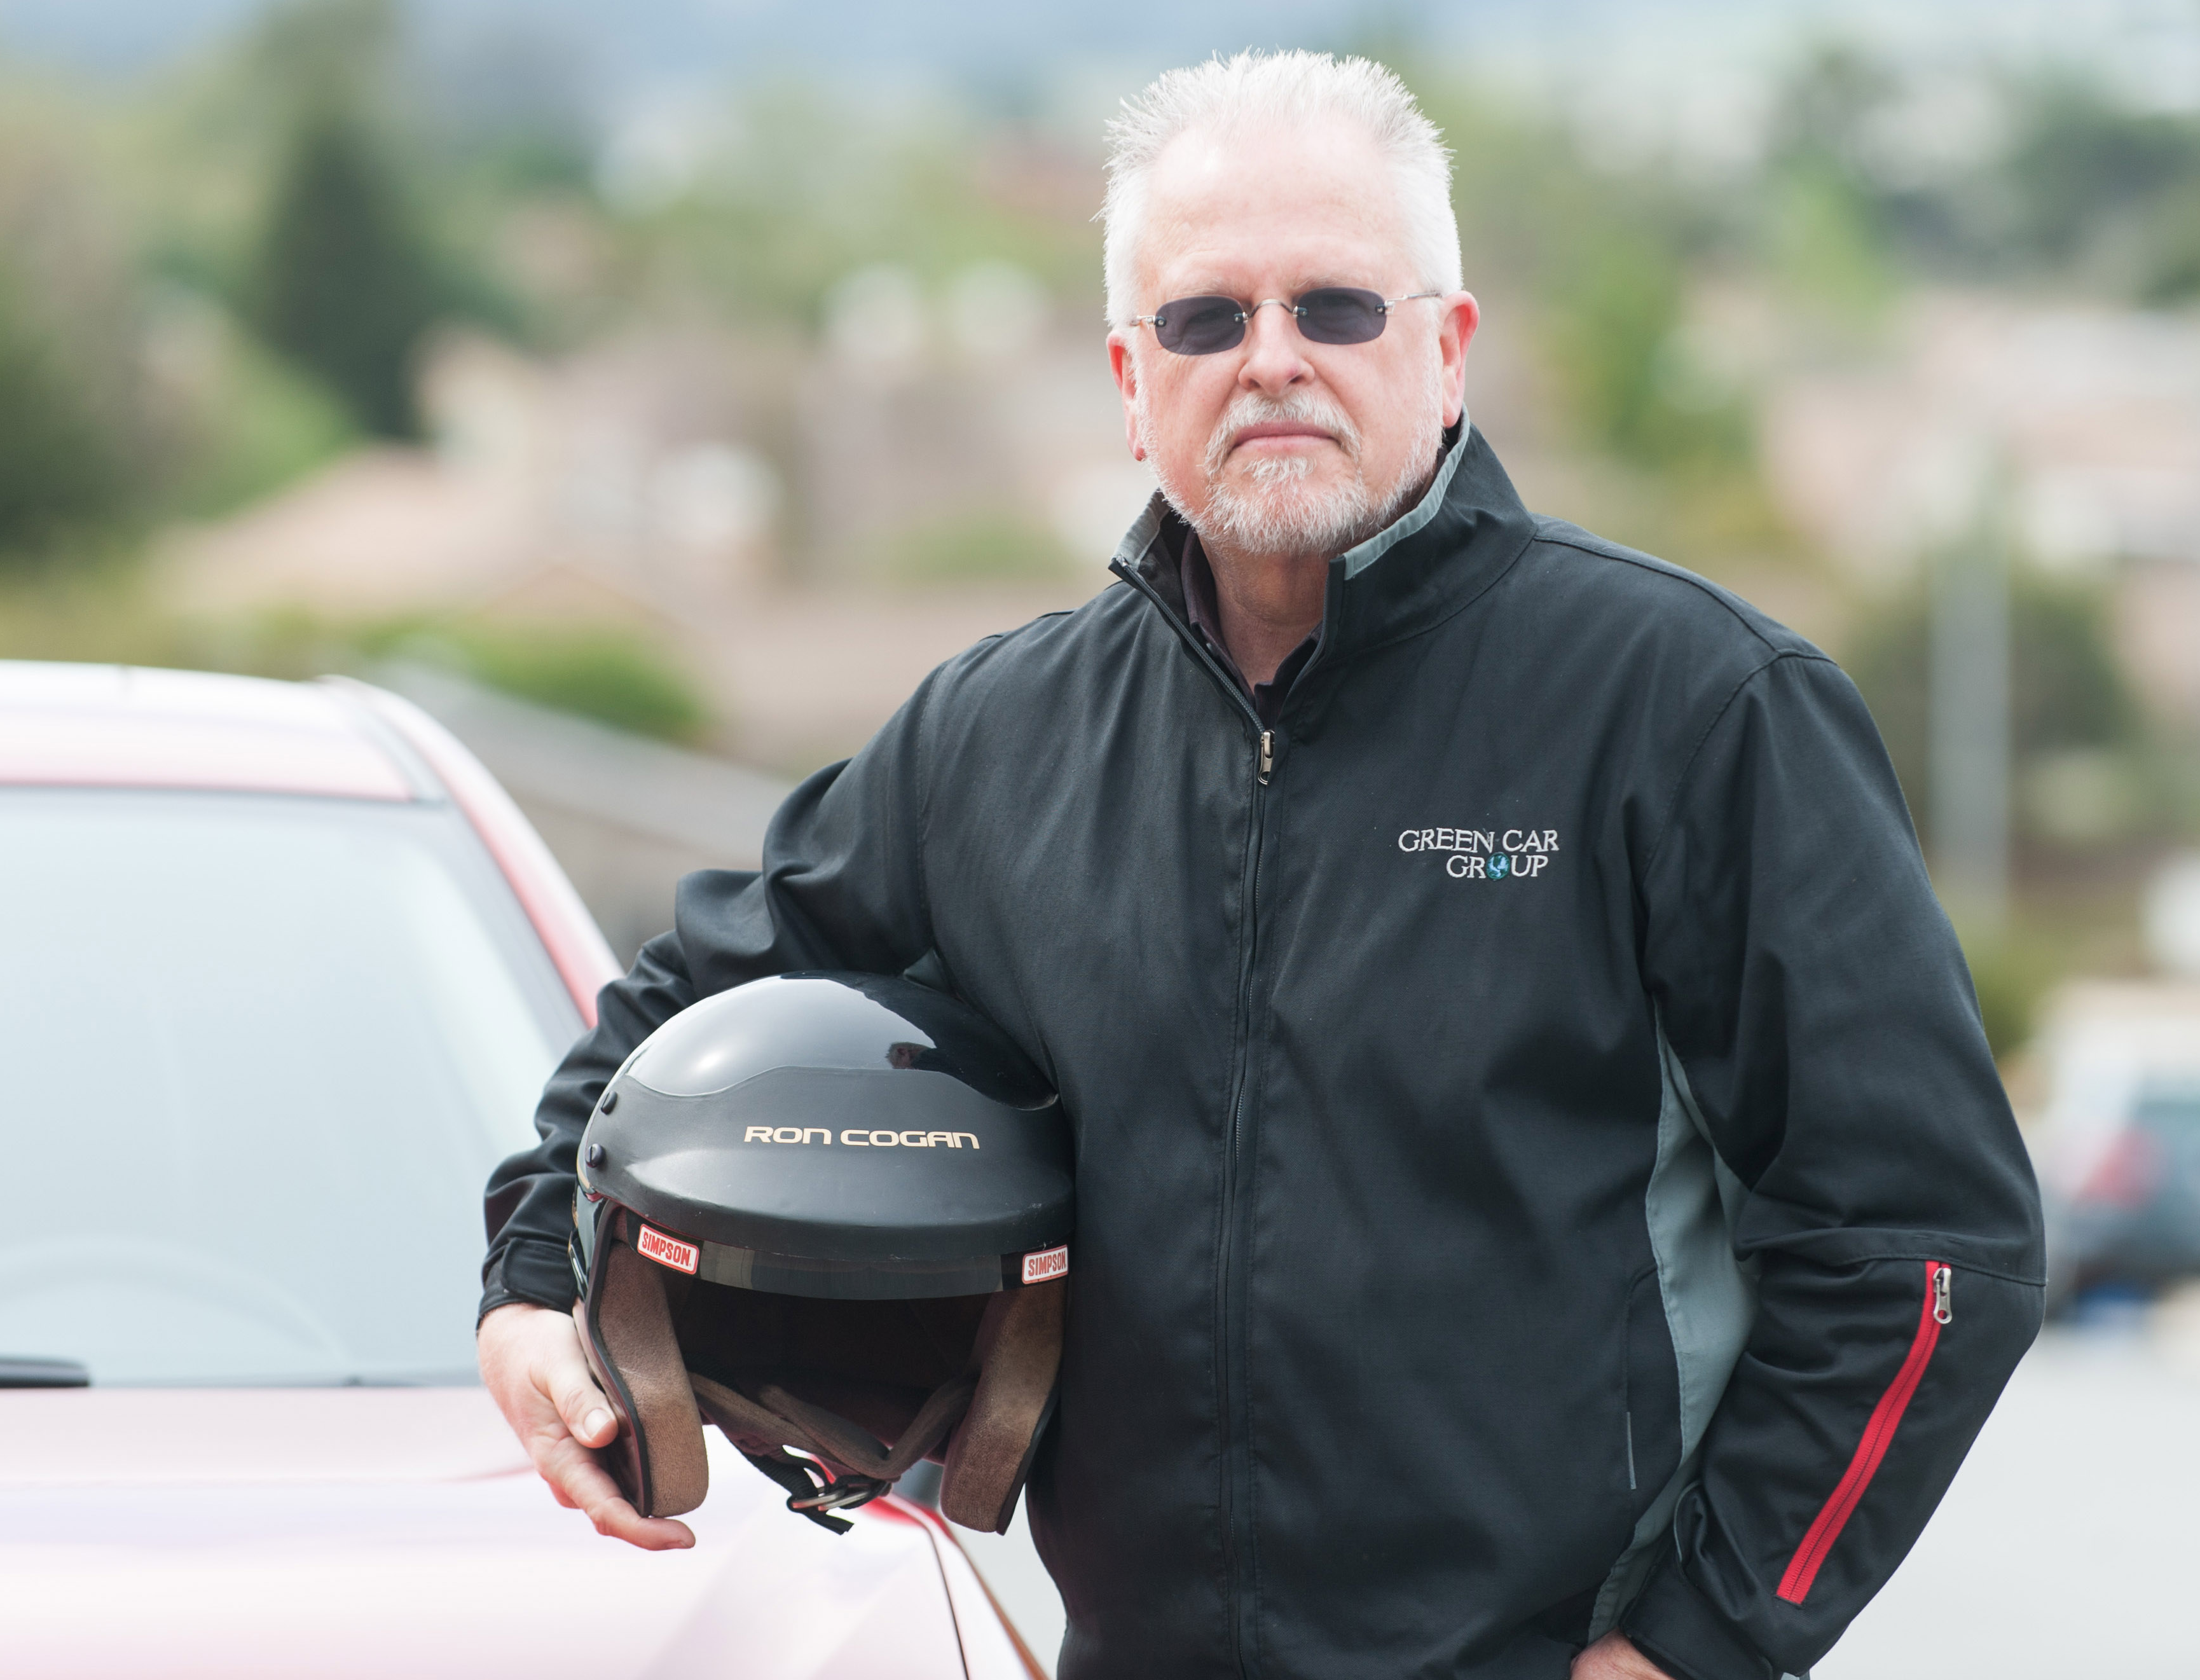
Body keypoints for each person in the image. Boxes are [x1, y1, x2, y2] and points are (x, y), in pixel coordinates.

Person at [477, 50, 2042, 1680]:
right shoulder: (995, 735)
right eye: (1205, 318)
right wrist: (530, 1277)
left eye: (1337, 308)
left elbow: (1928, 1244)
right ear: (1125, 375)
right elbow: (702, 989)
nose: (1272, 360)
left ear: (1446, 348)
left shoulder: (1696, 706)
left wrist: (1694, 1646)